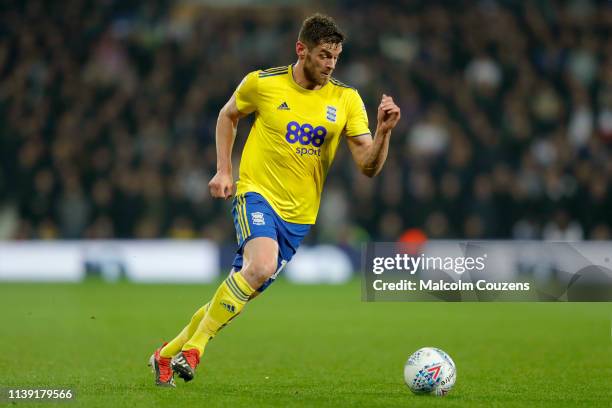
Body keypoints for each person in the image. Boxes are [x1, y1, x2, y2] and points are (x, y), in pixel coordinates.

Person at [149, 13, 401, 387]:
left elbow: (368, 166)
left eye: (336, 57)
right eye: (323, 55)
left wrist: (383, 133)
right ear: (301, 50)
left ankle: (165, 355)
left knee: (246, 283)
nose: (330, 64)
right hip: (257, 194)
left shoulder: (346, 99)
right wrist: (223, 170)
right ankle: (196, 348)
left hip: (299, 217)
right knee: (261, 266)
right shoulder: (262, 83)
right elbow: (228, 115)